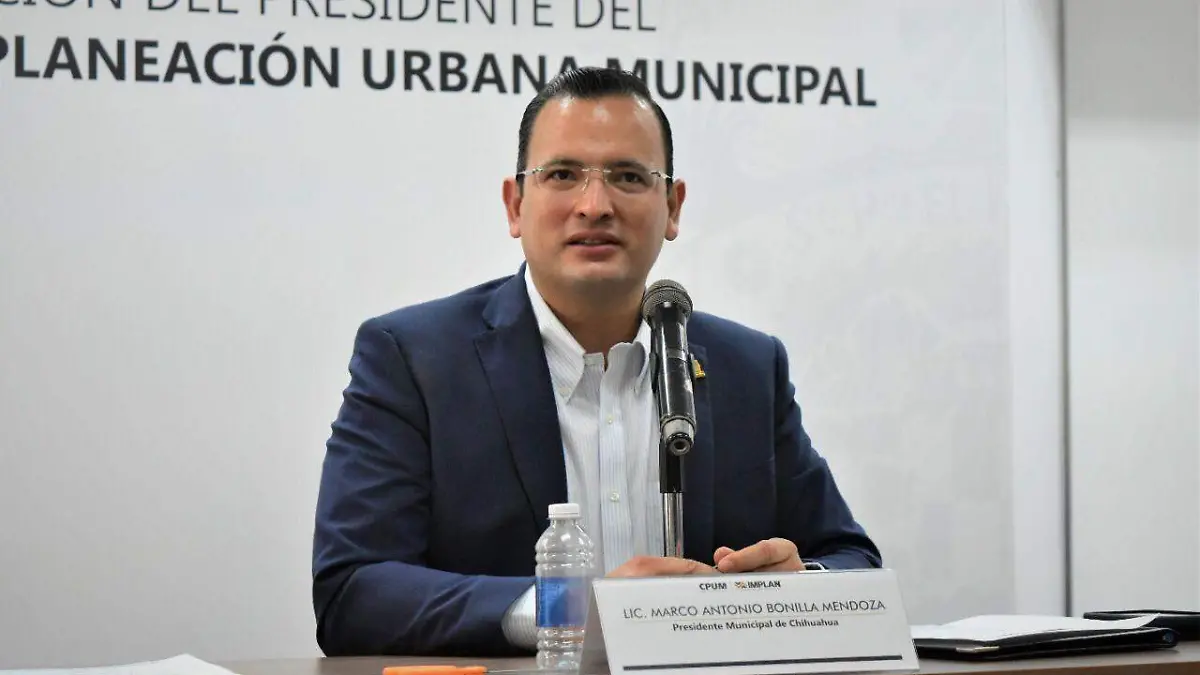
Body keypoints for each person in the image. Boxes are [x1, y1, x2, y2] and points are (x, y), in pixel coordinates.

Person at [311, 66, 881, 657]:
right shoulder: (414, 360)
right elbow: (353, 591)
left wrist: (798, 590)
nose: (594, 205)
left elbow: (853, 562)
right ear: (515, 205)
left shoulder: (749, 368)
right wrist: (573, 612)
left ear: (673, 207)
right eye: (562, 174)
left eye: (628, 177)